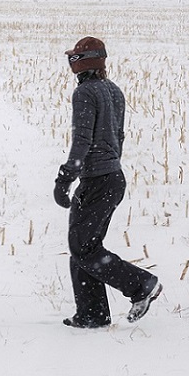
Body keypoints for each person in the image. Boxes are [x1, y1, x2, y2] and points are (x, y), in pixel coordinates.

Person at [53, 36, 162, 328]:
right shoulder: (113, 91)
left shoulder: (85, 93)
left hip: (98, 180)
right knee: (83, 246)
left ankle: (141, 285)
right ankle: (92, 314)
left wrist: (65, 179)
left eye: (73, 59)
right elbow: (119, 137)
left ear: (80, 63)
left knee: (84, 248)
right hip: (111, 177)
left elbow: (82, 141)